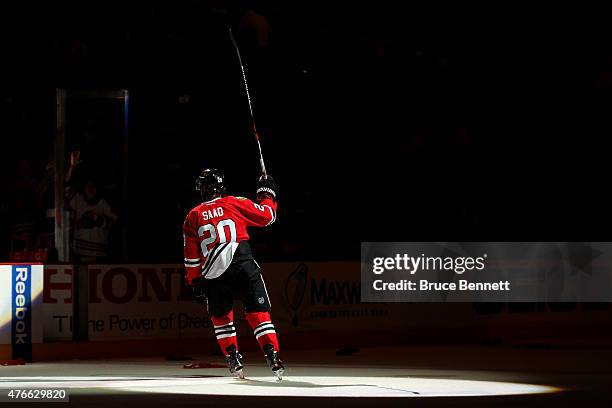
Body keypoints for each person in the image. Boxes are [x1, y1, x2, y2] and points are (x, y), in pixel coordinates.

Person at [182, 168, 283, 379]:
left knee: (221, 318)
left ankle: (233, 357)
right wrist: (267, 193)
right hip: (243, 262)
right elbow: (268, 217)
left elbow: (191, 256)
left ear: (202, 189)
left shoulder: (193, 215)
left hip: (214, 273)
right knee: (258, 314)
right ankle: (272, 354)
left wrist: (194, 281)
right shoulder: (235, 202)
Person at [68, 178, 118, 263]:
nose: (91, 189)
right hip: (80, 253)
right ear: (83, 188)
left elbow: (116, 222)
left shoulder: (103, 203)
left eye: (94, 186)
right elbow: (63, 202)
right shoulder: (77, 200)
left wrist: (99, 220)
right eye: (88, 186)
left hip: (99, 254)